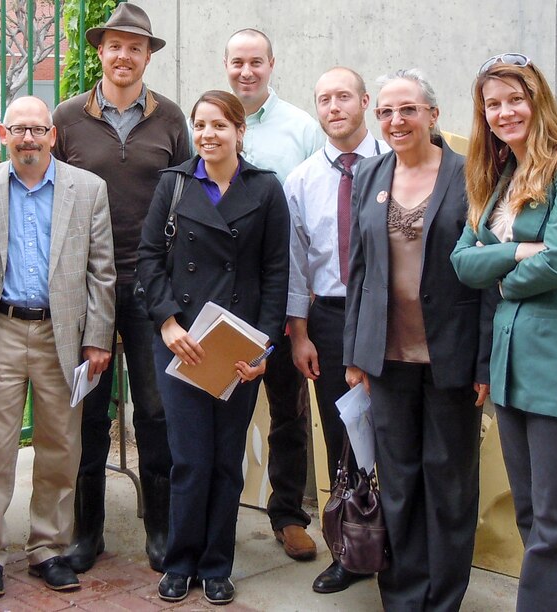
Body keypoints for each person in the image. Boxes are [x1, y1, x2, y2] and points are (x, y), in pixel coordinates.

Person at [51, 1, 191, 573]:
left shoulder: (173, 119)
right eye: (114, 45)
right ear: (100, 51)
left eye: (135, 47)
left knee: (156, 411)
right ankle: (88, 532)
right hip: (88, 287)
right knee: (85, 412)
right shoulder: (67, 116)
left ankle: (160, 527)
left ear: (147, 55)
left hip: (151, 286)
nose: (124, 55)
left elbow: (191, 193)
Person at [137, 90, 288, 606]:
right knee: (190, 459)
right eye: (200, 125)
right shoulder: (174, 185)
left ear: (240, 131)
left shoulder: (266, 189)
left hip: (237, 347)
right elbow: (149, 259)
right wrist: (167, 324)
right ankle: (180, 562)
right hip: (182, 342)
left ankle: (218, 564)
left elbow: (275, 273)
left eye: (219, 125)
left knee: (227, 460)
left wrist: (262, 346)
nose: (208, 135)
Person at [345, 69, 489, 611]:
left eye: (407, 109)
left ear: (433, 114)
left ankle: (443, 598)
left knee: (449, 483)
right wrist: (356, 355)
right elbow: (357, 269)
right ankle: (403, 595)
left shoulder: (471, 173)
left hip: (451, 356)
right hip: (387, 358)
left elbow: (489, 273)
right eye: (385, 111)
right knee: (399, 481)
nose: (395, 120)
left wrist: (484, 360)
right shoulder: (370, 174)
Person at [0, 96, 116, 599]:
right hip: (1, 330)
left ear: (53, 134)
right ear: (3, 133)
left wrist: (97, 338)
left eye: (38, 130)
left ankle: (48, 547)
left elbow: (101, 271)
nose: (28, 139)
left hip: (63, 334)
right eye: (19, 130)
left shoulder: (88, 189)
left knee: (60, 445)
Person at [451, 54, 557, 611]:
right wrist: (518, 252)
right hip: (510, 369)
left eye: (514, 99)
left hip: (554, 369)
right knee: (529, 511)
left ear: (537, 100)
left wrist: (495, 270)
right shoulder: (500, 177)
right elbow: (461, 263)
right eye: (492, 104)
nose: (504, 112)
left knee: (554, 520)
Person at [283, 67, 388, 594]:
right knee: (343, 434)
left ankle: (399, 547)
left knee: (395, 431)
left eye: (344, 96)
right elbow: (297, 266)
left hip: (390, 315)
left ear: (365, 101)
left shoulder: (395, 168)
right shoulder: (300, 180)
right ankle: (349, 549)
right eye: (324, 99)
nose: (334, 106)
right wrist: (299, 333)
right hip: (328, 317)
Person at [224, 28, 325, 562]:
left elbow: (317, 219)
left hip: (284, 297)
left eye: (256, 62)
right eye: (237, 62)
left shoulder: (302, 129)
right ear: (226, 65)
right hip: (223, 301)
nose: (247, 71)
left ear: (272, 63)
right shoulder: (211, 122)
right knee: (223, 409)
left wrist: (300, 307)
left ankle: (288, 514)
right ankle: (216, 515)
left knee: (287, 410)